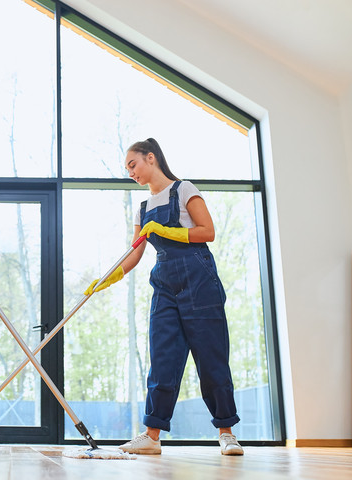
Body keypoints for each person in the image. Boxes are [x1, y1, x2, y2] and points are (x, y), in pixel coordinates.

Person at [84, 138, 243, 456]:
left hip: (199, 283)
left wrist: (168, 230)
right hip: (165, 288)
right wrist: (107, 278)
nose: (131, 172)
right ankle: (152, 435)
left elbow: (207, 231)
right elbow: (134, 253)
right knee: (163, 361)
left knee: (211, 358)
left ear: (151, 158)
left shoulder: (183, 189)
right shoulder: (142, 208)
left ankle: (226, 433)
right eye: (127, 168)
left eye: (133, 164)